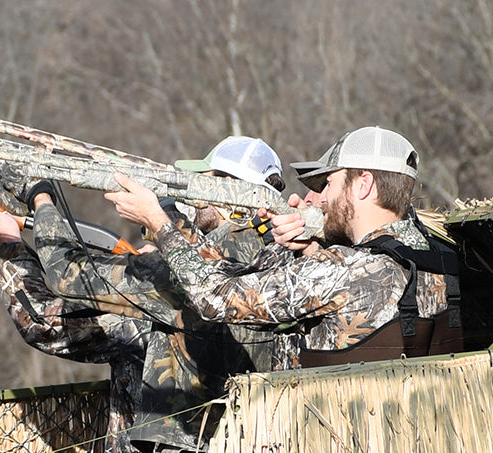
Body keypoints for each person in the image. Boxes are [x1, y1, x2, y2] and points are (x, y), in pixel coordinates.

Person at [0, 136, 284, 453]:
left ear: (230, 189)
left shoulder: (195, 268)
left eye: (206, 181)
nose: (196, 198)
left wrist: (40, 195)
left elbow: (65, 275)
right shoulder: (276, 255)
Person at [105, 126, 461, 371]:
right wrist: (307, 251)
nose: (320, 198)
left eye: (329, 183)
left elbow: (215, 300)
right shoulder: (444, 259)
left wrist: (160, 224)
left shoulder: (343, 271)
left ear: (363, 184)